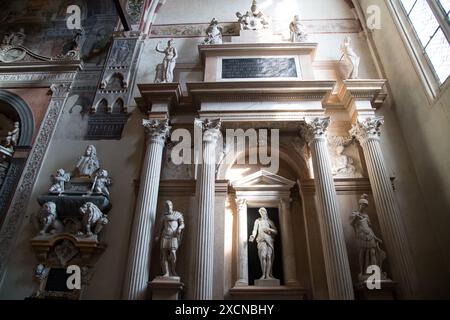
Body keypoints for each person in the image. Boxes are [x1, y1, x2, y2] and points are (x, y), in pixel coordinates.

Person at [350, 194, 387, 280]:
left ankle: (375, 272)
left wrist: (375, 237)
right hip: (361, 236)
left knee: (373, 252)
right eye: (362, 204)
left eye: (365, 205)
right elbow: (352, 223)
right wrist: (356, 217)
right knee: (363, 252)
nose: (363, 206)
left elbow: (369, 227)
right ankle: (363, 271)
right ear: (359, 204)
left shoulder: (366, 216)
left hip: (369, 235)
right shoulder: (354, 214)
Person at [155, 200, 185, 277]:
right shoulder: (164, 216)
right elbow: (160, 228)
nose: (169, 207)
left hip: (173, 236)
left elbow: (182, 224)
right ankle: (166, 273)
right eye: (167, 206)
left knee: (173, 254)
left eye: (170, 205)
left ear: (172, 206)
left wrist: (179, 228)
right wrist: (158, 236)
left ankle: (173, 270)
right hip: (165, 236)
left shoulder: (177, 214)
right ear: (165, 207)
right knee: (163, 255)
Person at [249, 207, 278, 280]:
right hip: (261, 239)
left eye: (263, 212)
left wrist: (269, 229)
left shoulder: (270, 221)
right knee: (263, 256)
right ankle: (263, 274)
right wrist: (253, 236)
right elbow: (254, 230)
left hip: (269, 240)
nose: (262, 213)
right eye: (261, 212)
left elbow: (276, 231)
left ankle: (268, 275)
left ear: (266, 212)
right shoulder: (257, 221)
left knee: (269, 257)